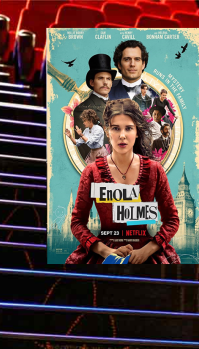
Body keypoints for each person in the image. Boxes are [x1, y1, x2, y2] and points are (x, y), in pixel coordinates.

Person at [65, 98, 180, 264]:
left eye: (129, 128)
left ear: (137, 131)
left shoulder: (155, 170)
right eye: (116, 128)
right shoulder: (91, 172)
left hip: (146, 254)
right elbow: (77, 222)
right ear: (107, 131)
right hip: (103, 253)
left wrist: (146, 251)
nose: (122, 135)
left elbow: (172, 220)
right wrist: (106, 251)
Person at [73, 53, 114, 158]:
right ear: (92, 82)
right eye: (100, 78)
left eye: (108, 79)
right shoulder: (81, 109)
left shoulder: (118, 106)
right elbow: (85, 145)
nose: (105, 82)